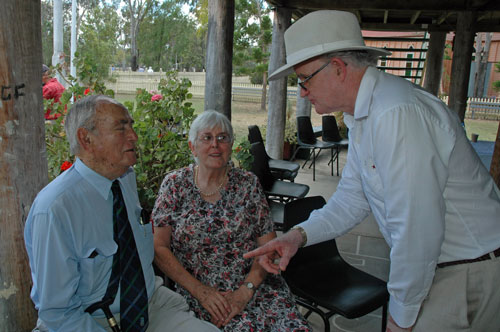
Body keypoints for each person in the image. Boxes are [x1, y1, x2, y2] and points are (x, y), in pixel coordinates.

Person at [244, 10, 500, 332]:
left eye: (304, 79)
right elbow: (352, 199)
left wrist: (401, 316)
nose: (303, 92)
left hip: (468, 272)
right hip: (442, 267)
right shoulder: (367, 115)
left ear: (337, 68)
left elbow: (416, 226)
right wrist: (298, 236)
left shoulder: (395, 113)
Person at [24, 95, 220, 332]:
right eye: (121, 128)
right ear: (86, 138)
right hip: (87, 322)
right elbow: (58, 314)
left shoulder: (124, 180)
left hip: (149, 307)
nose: (134, 136)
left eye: (131, 125)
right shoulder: (55, 209)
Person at [151, 110, 311, 332]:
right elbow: (159, 248)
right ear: (192, 147)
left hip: (254, 285)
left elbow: (268, 247)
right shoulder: (175, 185)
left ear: (231, 145)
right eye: (206, 137)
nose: (215, 144)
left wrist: (245, 291)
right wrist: (200, 291)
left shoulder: (248, 184)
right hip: (200, 292)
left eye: (223, 138)